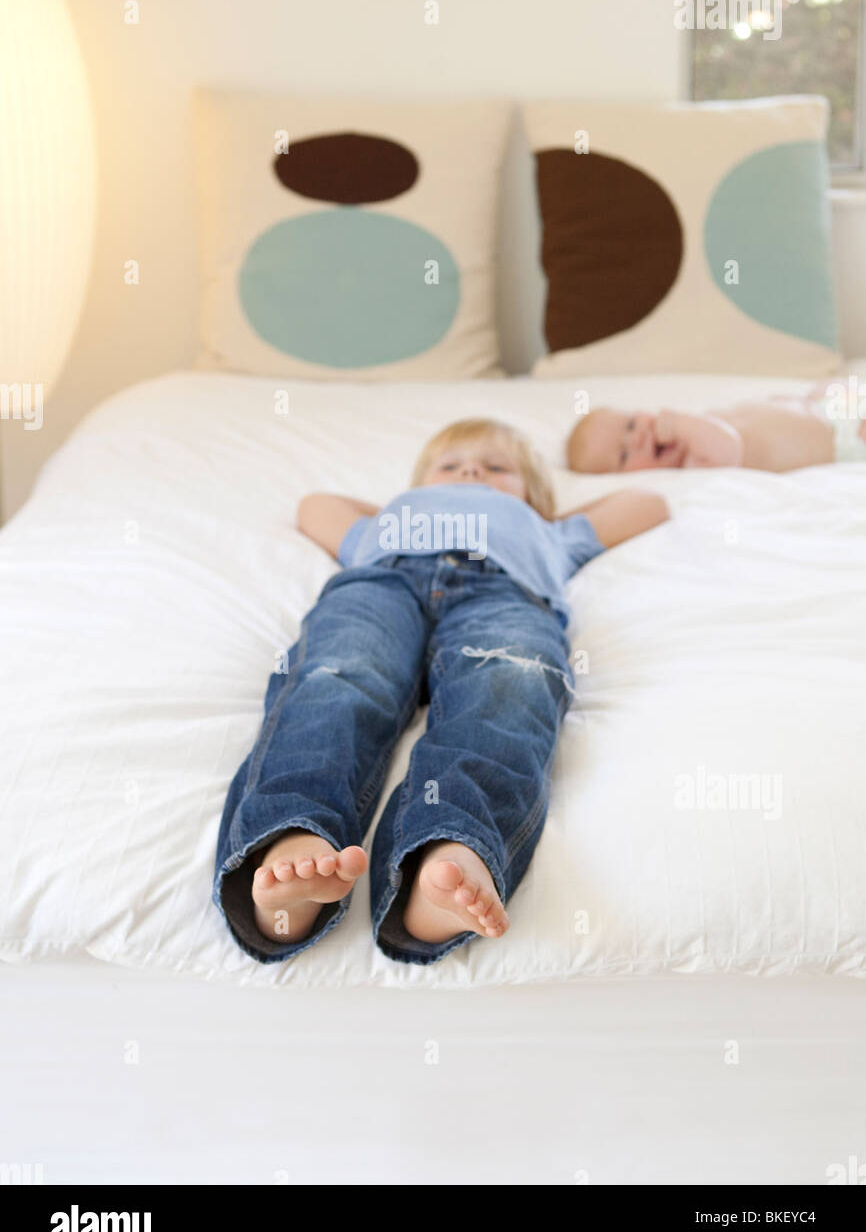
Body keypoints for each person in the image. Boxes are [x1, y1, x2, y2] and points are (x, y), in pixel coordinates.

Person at [212, 417, 668, 966]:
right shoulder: (385, 523)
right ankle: (292, 836)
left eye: (497, 468)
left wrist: (538, 515)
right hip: (384, 584)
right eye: (450, 466)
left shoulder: (545, 530)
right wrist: (409, 502)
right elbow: (316, 504)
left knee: (507, 690)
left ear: (533, 495)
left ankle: (447, 854)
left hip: (502, 592)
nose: (471, 471)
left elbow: (648, 502)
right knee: (339, 677)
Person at [567, 380, 866, 474]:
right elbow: (729, 446)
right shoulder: (695, 462)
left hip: (824, 408)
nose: (638, 437)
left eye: (631, 424)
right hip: (844, 443)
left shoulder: (696, 422)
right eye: (623, 455)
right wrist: (683, 423)